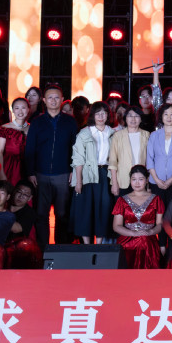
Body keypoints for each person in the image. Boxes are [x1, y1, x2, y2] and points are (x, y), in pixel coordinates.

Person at [23, 84, 78, 248]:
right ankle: (43, 249)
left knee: (62, 213)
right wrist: (30, 172)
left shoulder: (70, 122)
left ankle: (61, 249)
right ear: (44, 100)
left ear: (62, 100)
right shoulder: (37, 122)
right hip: (40, 174)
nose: (53, 101)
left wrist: (73, 170)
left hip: (63, 173)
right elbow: (30, 148)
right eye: (50, 98)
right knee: (41, 213)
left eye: (56, 98)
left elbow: (76, 148)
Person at [71, 102, 116, 244]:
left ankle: (99, 243)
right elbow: (78, 158)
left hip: (105, 173)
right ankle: (86, 244)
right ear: (92, 115)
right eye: (98, 113)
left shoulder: (113, 133)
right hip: (87, 174)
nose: (101, 116)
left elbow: (115, 158)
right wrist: (78, 181)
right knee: (85, 209)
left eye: (104, 113)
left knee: (103, 208)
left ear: (108, 115)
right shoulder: (84, 133)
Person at [112, 166, 164, 269]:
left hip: (148, 240)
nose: (137, 183)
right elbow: (116, 226)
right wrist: (133, 233)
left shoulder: (156, 199)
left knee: (145, 242)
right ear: (130, 180)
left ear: (147, 180)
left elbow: (160, 224)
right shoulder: (122, 200)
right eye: (134, 179)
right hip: (127, 241)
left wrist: (150, 232)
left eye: (140, 179)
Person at [147, 103, 172, 206]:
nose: (169, 117)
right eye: (166, 114)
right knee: (158, 210)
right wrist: (156, 180)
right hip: (156, 181)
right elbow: (149, 159)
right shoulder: (154, 135)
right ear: (161, 116)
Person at [109, 105, 151, 197]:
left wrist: (148, 184)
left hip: (141, 180)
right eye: (130, 115)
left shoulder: (146, 135)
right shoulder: (117, 136)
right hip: (122, 180)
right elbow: (112, 161)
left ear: (141, 119)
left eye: (136, 116)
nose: (133, 119)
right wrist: (114, 183)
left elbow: (149, 160)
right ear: (125, 118)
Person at [5, 180, 43, 268]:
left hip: (15, 249)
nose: (21, 196)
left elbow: (16, 228)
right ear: (14, 191)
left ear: (30, 198)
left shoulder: (29, 213)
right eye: (19, 192)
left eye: (25, 195)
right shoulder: (4, 204)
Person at [0, 97, 30, 186]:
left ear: (28, 109)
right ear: (13, 110)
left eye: (23, 108)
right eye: (17, 108)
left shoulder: (33, 128)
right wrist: (1, 173)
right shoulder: (5, 128)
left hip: (28, 168)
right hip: (9, 167)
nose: (20, 111)